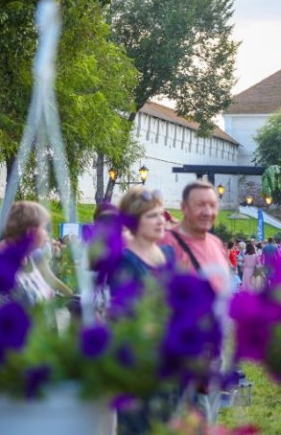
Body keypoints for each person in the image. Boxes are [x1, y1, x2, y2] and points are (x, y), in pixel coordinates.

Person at [158, 180, 230, 424]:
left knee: (208, 419)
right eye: (200, 205)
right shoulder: (167, 244)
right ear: (183, 208)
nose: (208, 211)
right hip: (183, 355)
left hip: (213, 353)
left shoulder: (216, 244)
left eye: (212, 205)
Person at [113, 187, 177, 435]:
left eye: (161, 214)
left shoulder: (168, 255)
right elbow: (122, 317)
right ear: (133, 220)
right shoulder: (126, 261)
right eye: (152, 216)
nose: (161, 220)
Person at [0, 201, 56, 306]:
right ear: (30, 231)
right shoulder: (5, 266)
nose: (46, 233)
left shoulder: (28, 258)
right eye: (44, 227)